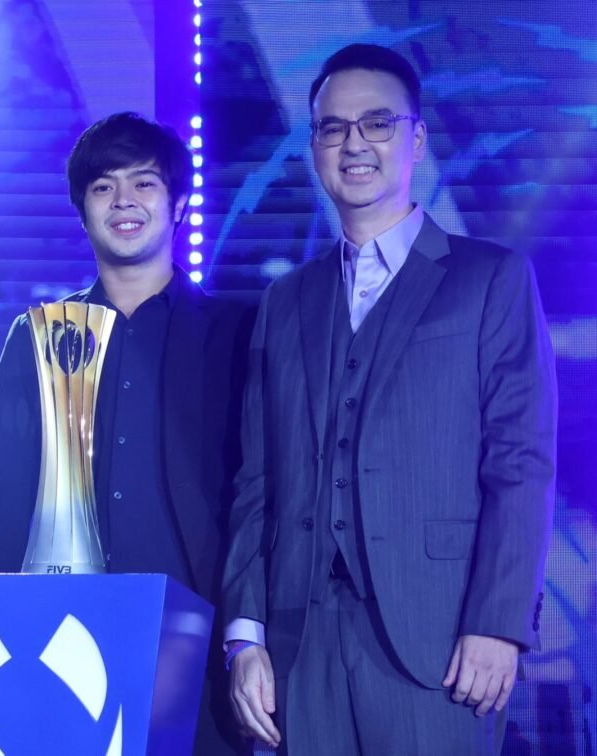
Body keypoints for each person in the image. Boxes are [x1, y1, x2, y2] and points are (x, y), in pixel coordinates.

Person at [221, 44, 557, 755]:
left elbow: (520, 463)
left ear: (417, 138)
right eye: (333, 127)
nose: (354, 144)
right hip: (299, 646)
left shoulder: (488, 279)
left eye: (376, 124)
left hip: (439, 646)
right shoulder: (285, 301)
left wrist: (497, 622)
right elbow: (259, 483)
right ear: (313, 145)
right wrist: (244, 636)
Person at [0, 112, 255, 754]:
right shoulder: (40, 334)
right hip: (62, 646)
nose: (124, 201)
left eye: (144, 183)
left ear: (178, 206)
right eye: (103, 187)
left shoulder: (241, 333)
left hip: (200, 650)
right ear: (82, 209)